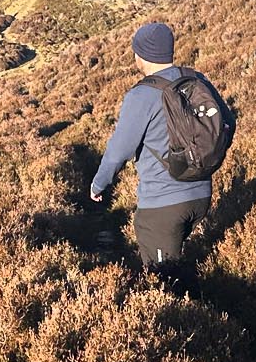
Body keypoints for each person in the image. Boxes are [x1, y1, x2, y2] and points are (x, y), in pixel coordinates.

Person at [90, 21, 213, 296]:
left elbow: (119, 149)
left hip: (162, 207)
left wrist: (99, 184)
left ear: (141, 55)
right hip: (201, 194)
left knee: (164, 286)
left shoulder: (142, 95)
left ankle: (196, 329)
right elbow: (226, 124)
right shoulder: (196, 81)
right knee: (177, 267)